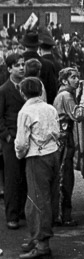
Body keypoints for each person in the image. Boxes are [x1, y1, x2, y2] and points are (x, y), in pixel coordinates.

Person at [15, 77, 60, 259]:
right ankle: (37, 238)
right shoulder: (50, 108)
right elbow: (57, 131)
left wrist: (19, 155)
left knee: (37, 201)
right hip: (53, 154)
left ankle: (42, 245)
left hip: (36, 158)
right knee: (48, 197)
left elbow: (21, 143)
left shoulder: (25, 112)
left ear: (22, 92)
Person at [53, 68, 84, 226]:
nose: (77, 80)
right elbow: (78, 115)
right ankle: (63, 216)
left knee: (64, 176)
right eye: (73, 77)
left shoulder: (64, 94)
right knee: (65, 177)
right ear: (65, 81)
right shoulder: (66, 96)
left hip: (64, 140)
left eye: (78, 76)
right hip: (64, 141)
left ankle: (61, 214)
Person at [0, 53, 27, 229]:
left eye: (23, 64)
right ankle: (12, 216)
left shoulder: (28, 87)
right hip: (12, 140)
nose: (22, 68)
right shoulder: (4, 90)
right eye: (17, 65)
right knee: (12, 178)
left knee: (25, 176)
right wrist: (7, 135)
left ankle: (22, 210)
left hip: (27, 139)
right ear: (9, 69)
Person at [21, 30, 58, 103]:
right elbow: (52, 91)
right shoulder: (48, 65)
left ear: (24, 46)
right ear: (38, 47)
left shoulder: (17, 64)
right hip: (42, 106)